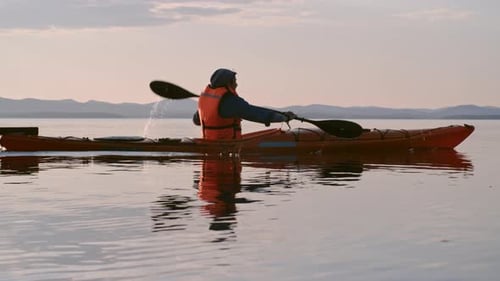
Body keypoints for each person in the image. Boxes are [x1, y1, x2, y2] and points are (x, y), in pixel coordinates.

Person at [193, 68, 297, 140]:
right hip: (228, 145)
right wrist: (283, 117)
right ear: (228, 83)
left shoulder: (206, 100)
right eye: (235, 81)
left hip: (209, 142)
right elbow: (254, 113)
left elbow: (196, 120)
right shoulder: (231, 102)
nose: (237, 84)